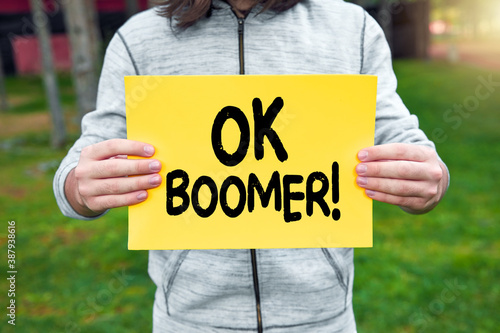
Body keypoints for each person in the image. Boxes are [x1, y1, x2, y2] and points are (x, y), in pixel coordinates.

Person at [54, 0, 449, 332]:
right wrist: (79, 187)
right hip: (188, 321)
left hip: (323, 319)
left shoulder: (352, 28)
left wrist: (430, 179)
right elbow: (83, 161)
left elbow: (403, 137)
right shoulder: (139, 38)